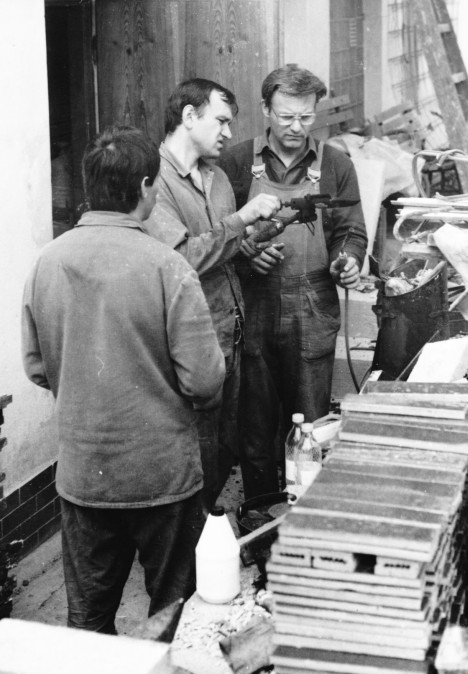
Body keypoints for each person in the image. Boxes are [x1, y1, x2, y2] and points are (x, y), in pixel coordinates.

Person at [21, 125, 226, 634]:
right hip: (162, 475)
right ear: (144, 188)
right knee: (173, 615)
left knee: (88, 623)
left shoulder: (47, 262)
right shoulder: (167, 266)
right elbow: (204, 381)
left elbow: (37, 366)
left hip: (83, 475)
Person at [218, 64, 368, 499]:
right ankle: (259, 507)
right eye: (286, 117)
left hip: (313, 302)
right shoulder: (234, 162)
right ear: (266, 109)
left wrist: (347, 260)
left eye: (306, 117)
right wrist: (246, 254)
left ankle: (305, 510)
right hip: (253, 302)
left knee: (311, 421)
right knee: (255, 419)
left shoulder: (336, 164)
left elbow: (351, 230)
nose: (297, 128)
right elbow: (218, 233)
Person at [144, 78, 280, 508]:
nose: (228, 132)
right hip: (189, 344)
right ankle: (192, 536)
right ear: (189, 116)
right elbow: (181, 258)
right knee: (194, 453)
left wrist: (256, 236)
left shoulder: (217, 177)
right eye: (220, 121)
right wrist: (241, 220)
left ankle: (203, 528)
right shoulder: (155, 181)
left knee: (224, 445)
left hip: (230, 334)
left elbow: (220, 248)